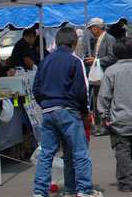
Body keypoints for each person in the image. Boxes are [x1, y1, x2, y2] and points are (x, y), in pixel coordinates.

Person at [32, 26, 102, 197]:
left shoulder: (45, 61)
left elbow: (36, 88)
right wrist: (85, 112)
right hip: (68, 109)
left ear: (56, 42)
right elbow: (80, 91)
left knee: (47, 153)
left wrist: (46, 103)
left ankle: (40, 192)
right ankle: (84, 189)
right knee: (79, 152)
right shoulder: (74, 61)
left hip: (48, 110)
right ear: (74, 43)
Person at [97, 38, 132, 192]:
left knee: (122, 151)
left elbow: (103, 96)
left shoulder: (110, 72)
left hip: (119, 119)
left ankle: (126, 182)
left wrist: (104, 115)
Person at [84, 17, 116, 137]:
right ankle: (99, 125)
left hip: (104, 74)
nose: (91, 31)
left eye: (92, 28)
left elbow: (111, 57)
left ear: (97, 28)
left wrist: (96, 61)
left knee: (103, 99)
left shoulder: (109, 39)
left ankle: (104, 124)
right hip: (97, 75)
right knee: (96, 98)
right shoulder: (97, 40)